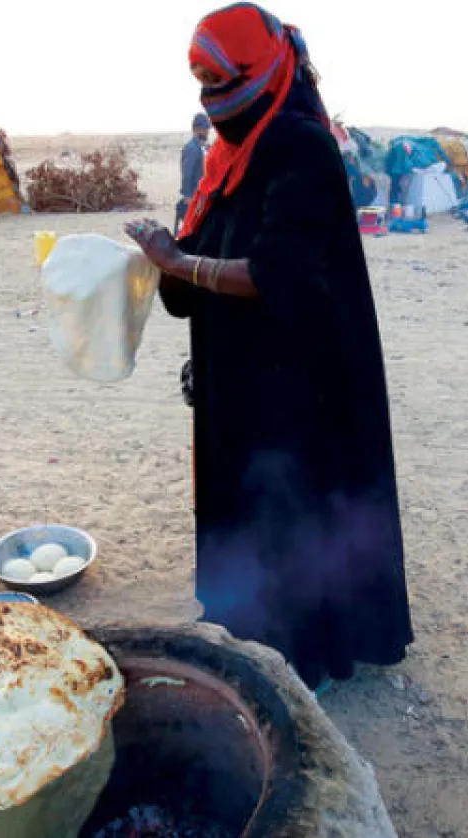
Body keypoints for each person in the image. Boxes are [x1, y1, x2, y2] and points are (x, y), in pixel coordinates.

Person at [125, 2, 412, 692]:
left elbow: (277, 274)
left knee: (292, 510)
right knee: (243, 504)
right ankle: (245, 627)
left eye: (223, 81)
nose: (211, 98)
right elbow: (205, 249)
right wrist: (163, 262)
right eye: (202, 83)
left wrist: (178, 263)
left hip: (297, 383)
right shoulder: (228, 155)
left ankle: (300, 658)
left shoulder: (299, 146)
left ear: (268, 70)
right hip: (236, 376)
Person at [176, 114, 212, 234]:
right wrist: (187, 195)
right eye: (205, 128)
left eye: (208, 128)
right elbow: (187, 172)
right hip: (194, 196)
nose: (207, 131)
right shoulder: (191, 148)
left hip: (203, 195)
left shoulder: (203, 147)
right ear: (196, 129)